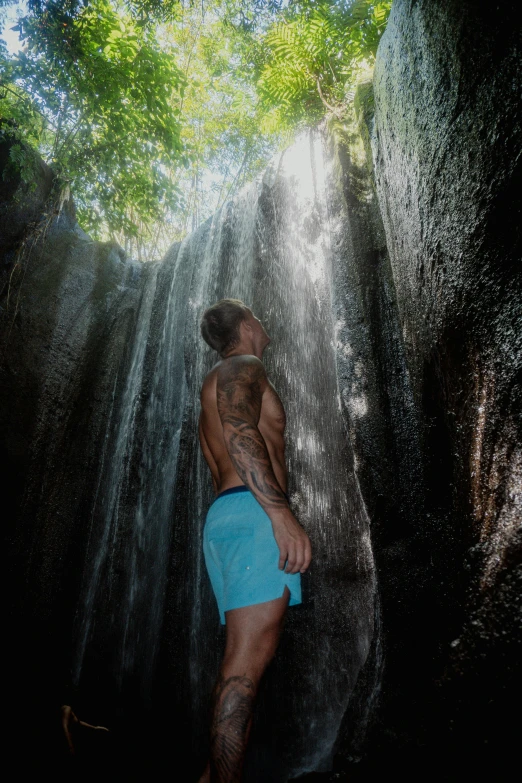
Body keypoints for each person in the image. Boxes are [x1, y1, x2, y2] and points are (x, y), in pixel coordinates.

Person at [197, 298, 312, 783]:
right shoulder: (244, 365)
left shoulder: (211, 383)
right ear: (246, 326)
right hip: (254, 511)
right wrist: (280, 513)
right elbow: (240, 427)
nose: (265, 324)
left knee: (238, 665)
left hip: (226, 515)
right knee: (243, 671)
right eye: (257, 317)